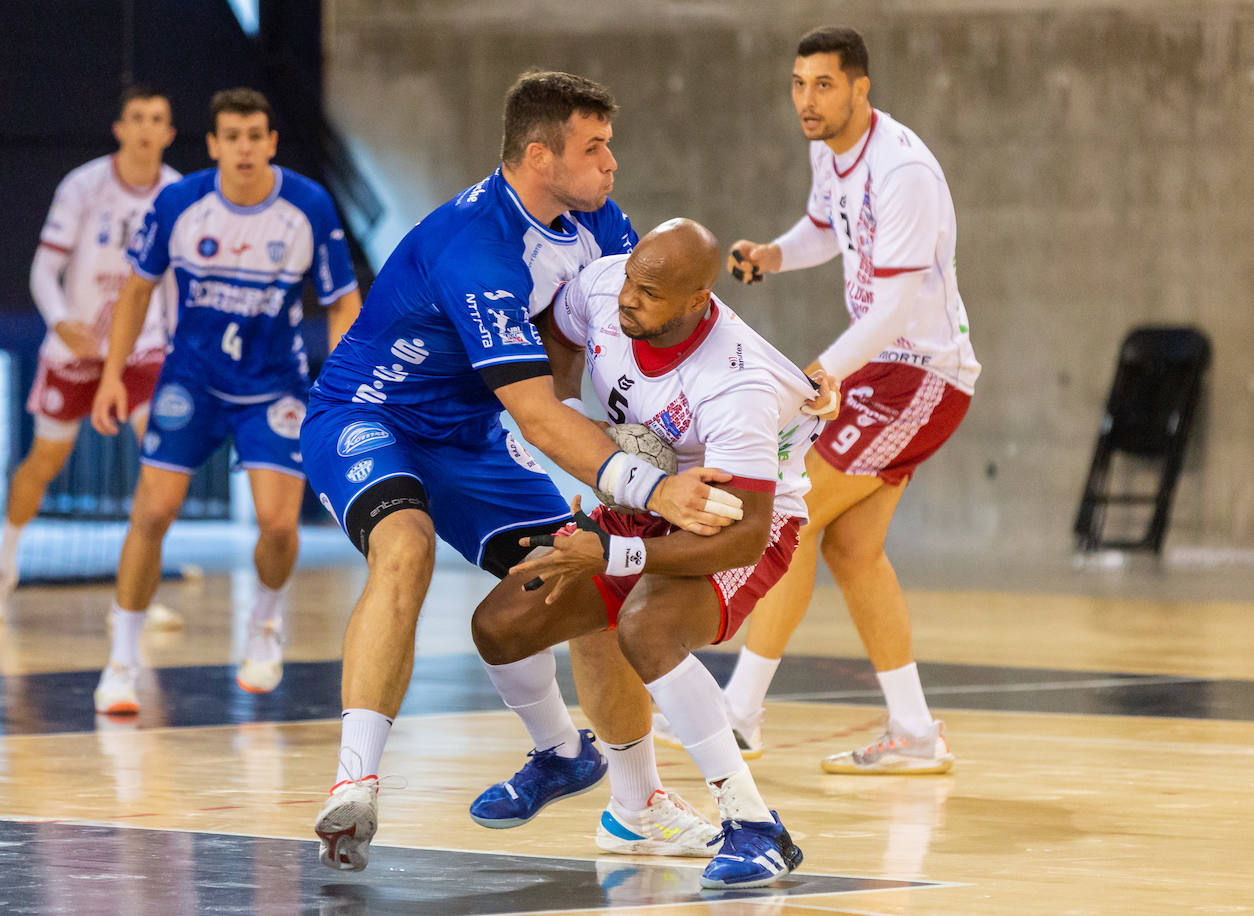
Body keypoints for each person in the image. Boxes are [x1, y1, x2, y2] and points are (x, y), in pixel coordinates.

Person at [301, 71, 744, 874]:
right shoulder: (476, 250)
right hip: (370, 415)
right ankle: (356, 780)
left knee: (589, 578)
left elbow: (626, 332)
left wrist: (774, 385)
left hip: (467, 431)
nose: (612, 164)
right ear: (539, 157)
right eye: (594, 147)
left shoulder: (600, 221)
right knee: (407, 546)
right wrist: (644, 484)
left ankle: (629, 798)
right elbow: (540, 416)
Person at [469, 218, 823, 889]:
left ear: (696, 302)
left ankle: (754, 826)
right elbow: (560, 332)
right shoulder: (609, 286)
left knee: (646, 629)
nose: (629, 297)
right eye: (632, 278)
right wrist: (580, 424)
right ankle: (563, 755)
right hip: (645, 498)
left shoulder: (735, 384)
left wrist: (613, 556)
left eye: (651, 293)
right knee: (499, 625)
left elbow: (744, 532)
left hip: (743, 522)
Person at [670, 25, 981, 774]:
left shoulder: (902, 171)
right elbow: (824, 229)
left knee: (794, 513)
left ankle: (740, 711)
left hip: (918, 373)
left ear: (861, 88)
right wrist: (774, 255)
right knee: (850, 547)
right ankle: (911, 731)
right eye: (798, 84)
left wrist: (823, 370)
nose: (807, 100)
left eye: (824, 85)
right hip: (881, 371)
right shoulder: (828, 153)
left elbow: (899, 307)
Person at [88, 87, 362, 714]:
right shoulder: (180, 203)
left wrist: (342, 386)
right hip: (192, 381)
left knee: (278, 525)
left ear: (270, 142)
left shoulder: (307, 206)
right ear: (212, 145)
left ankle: (265, 623)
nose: (244, 148)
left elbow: (343, 300)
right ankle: (122, 661)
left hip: (275, 386)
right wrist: (112, 375)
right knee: (152, 514)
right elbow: (135, 292)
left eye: (255, 136)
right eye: (231, 137)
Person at [0, 85, 181, 625]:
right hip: (76, 349)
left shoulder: (180, 193)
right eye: (136, 117)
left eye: (156, 119)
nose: (144, 128)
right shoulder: (83, 185)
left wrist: (181, 344)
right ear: (119, 128)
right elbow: (44, 268)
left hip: (143, 348)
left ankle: (138, 591)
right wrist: (62, 321)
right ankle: (3, 567)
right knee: (44, 463)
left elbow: (180, 282)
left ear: (169, 133)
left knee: (158, 460)